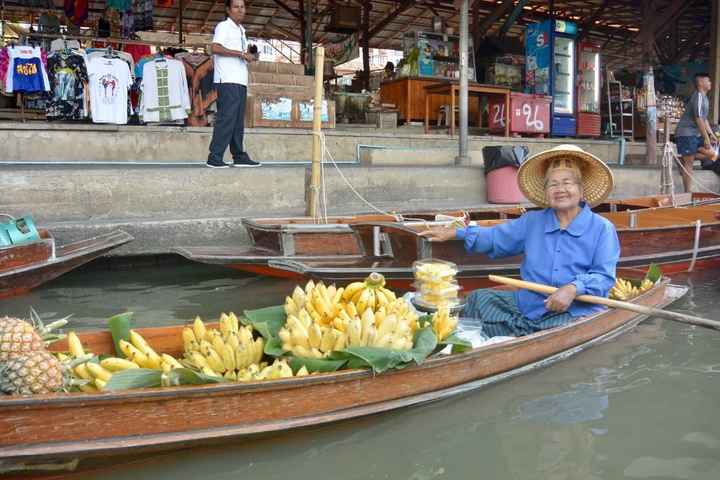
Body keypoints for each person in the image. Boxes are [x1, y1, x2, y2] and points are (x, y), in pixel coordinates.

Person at [421, 145, 620, 338]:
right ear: (546, 191)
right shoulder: (532, 221)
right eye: (553, 184)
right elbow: (496, 238)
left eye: (567, 182)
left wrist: (572, 288)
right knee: (477, 300)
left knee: (561, 332)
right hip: (529, 305)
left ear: (581, 189)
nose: (560, 189)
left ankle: (522, 336)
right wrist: (458, 233)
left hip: (575, 310)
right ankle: (524, 334)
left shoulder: (602, 228)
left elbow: (604, 277)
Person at [206, 0, 260, 168]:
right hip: (227, 79)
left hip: (239, 80)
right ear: (228, 10)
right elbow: (214, 48)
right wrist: (240, 54)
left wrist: (251, 56)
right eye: (236, 7)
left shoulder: (241, 30)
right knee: (227, 118)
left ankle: (239, 155)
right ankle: (214, 157)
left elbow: (243, 56)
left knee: (237, 120)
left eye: (242, 7)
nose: (240, 10)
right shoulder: (224, 26)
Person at [676, 73, 718, 191]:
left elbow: (704, 120)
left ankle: (682, 159)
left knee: (713, 154)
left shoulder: (705, 98)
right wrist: (706, 138)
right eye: (708, 81)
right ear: (700, 83)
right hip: (686, 134)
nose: (710, 83)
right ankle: (688, 193)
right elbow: (698, 119)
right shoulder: (698, 96)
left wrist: (711, 135)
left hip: (695, 134)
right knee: (689, 165)